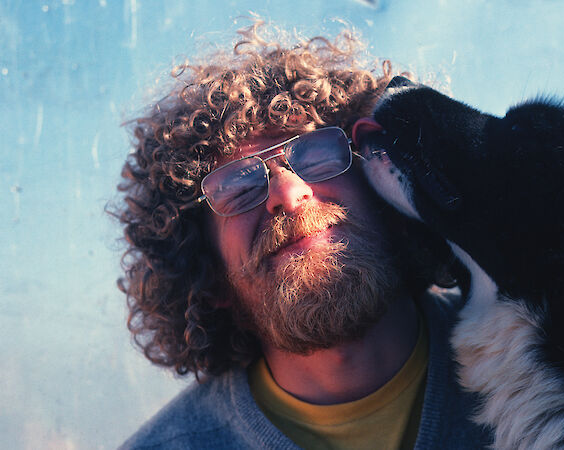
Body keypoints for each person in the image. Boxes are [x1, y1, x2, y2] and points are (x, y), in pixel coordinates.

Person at [115, 20, 490, 449]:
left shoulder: (561, 364)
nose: (289, 194)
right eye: (237, 186)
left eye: (316, 154)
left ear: (382, 182)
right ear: (207, 275)